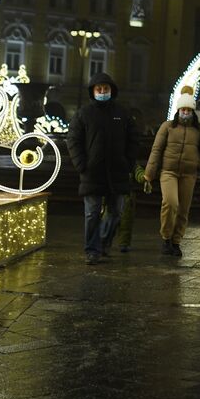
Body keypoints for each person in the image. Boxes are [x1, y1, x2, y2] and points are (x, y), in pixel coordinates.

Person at [66, 72, 140, 265]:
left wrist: (128, 162)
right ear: (93, 91)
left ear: (111, 90)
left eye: (105, 89)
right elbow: (73, 140)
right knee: (92, 213)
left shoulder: (122, 113)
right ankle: (92, 250)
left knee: (116, 212)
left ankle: (103, 242)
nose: (102, 92)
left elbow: (134, 138)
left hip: (117, 172)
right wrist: (82, 164)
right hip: (92, 172)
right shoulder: (84, 114)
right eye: (99, 89)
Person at [145, 87, 200, 257]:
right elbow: (156, 150)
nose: (186, 112)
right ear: (178, 110)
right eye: (183, 109)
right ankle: (166, 237)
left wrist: (198, 162)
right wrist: (149, 172)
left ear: (192, 111)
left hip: (188, 174)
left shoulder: (198, 130)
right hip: (168, 172)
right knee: (170, 203)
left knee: (183, 209)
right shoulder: (168, 126)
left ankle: (176, 242)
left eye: (189, 110)